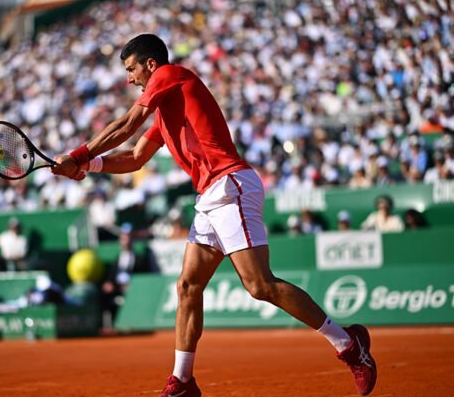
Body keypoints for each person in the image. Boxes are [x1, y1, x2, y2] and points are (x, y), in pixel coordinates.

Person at [51, 34, 377, 397]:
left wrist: (77, 154)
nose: (129, 79)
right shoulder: (165, 109)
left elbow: (127, 125)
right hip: (210, 195)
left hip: (230, 183)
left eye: (131, 70)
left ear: (150, 65)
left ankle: (349, 345)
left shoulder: (171, 75)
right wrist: (89, 167)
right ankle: (183, 382)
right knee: (188, 287)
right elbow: (134, 157)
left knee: (259, 285)